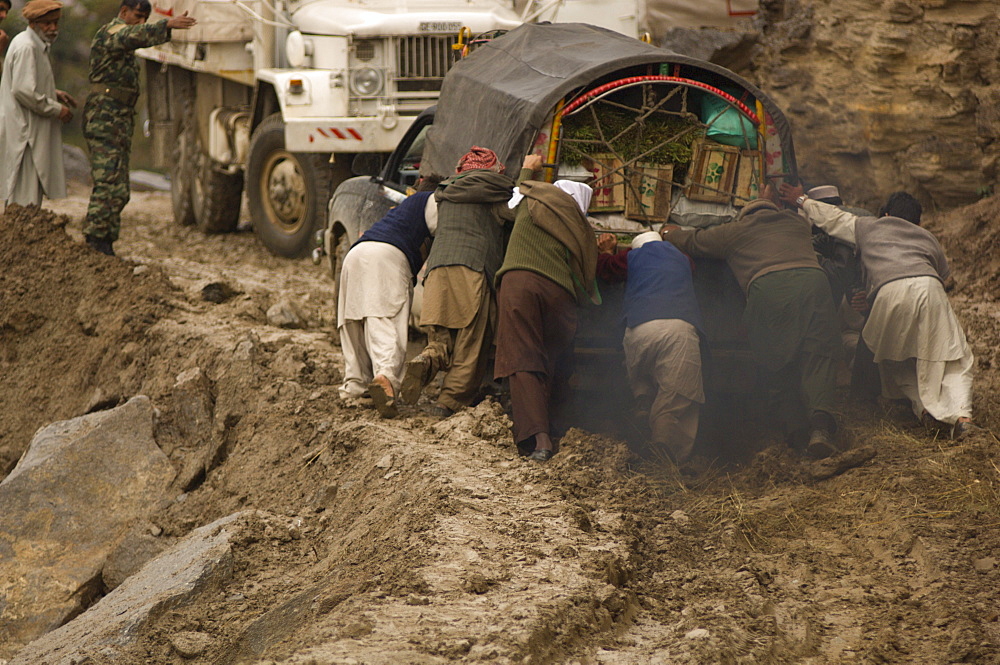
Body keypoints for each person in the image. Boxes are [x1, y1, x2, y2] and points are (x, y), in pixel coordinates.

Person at [781, 184, 975, 439]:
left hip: (889, 292)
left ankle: (924, 410)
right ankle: (962, 416)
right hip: (931, 289)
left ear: (885, 215)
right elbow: (946, 280)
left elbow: (833, 218)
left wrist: (801, 200)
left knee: (893, 360)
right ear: (917, 221)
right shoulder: (927, 237)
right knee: (953, 360)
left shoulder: (870, 226)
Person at [661, 187, 843, 458]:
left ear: (744, 214)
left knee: (775, 363)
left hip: (768, 290)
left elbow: (693, 241)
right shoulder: (796, 223)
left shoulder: (734, 231)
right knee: (819, 357)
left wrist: (667, 233)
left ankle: (796, 435)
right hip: (814, 284)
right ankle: (821, 429)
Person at [492, 154, 599, 462]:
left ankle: (539, 440)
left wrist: (529, 166)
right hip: (560, 296)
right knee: (551, 360)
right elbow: (586, 279)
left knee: (523, 358)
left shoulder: (533, 201)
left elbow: (516, 190)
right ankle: (556, 427)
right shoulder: (581, 230)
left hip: (519, 285)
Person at [400, 146, 516, 417]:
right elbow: (517, 220)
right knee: (470, 342)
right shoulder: (496, 194)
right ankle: (448, 403)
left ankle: (428, 358)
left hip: (438, 271)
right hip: (472, 270)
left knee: (441, 338)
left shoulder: (445, 193)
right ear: (493, 170)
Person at [81, 0, 196, 255]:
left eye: (146, 17)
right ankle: (95, 241)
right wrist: (166, 24)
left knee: (119, 188)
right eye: (138, 16)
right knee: (108, 182)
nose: (141, 22)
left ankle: (105, 241)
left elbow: (136, 35)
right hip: (104, 117)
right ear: (124, 12)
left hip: (118, 119)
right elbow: (132, 35)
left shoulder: (126, 39)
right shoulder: (111, 32)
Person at [595, 230, 705, 464]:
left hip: (638, 327)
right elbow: (694, 268)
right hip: (680, 328)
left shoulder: (632, 257)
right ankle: (663, 454)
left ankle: (642, 399)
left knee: (641, 371)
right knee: (675, 397)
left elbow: (605, 269)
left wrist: (605, 251)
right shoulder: (684, 258)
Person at [338, 176, 442, 417]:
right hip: (387, 256)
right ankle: (385, 377)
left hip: (356, 254)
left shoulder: (403, 209)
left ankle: (354, 386)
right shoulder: (429, 200)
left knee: (353, 323)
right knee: (385, 321)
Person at [0, 0, 77, 209]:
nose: (53, 28)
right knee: (24, 201)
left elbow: (27, 83)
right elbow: (23, 90)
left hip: (27, 132)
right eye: (47, 23)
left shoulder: (32, 43)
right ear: (33, 23)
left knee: (25, 194)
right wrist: (56, 109)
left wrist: (53, 93)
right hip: (25, 135)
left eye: (55, 23)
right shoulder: (27, 46)